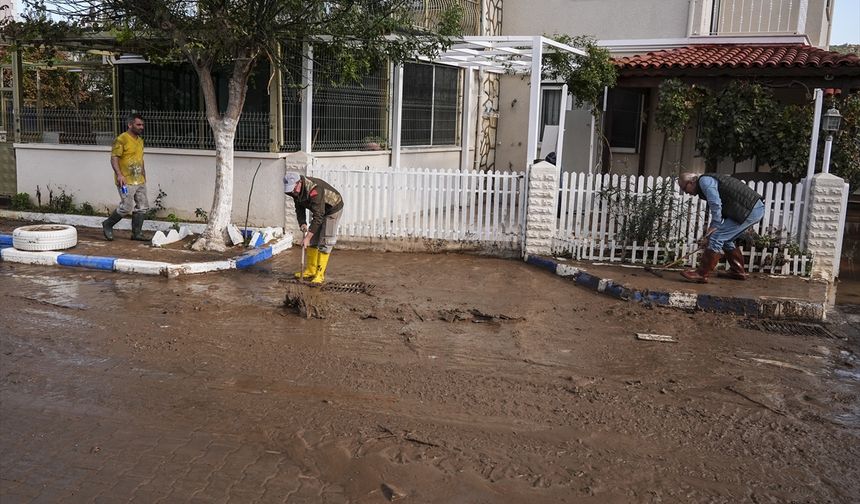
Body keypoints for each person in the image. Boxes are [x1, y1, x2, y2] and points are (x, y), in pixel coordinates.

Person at [677, 172, 765, 283]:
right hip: (749, 209)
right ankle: (737, 271)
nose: (685, 192)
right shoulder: (705, 182)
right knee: (726, 239)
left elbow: (716, 203)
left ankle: (701, 274)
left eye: (684, 188)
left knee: (717, 237)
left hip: (750, 210)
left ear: (691, 182)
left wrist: (714, 226)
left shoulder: (704, 181)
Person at [284, 172, 344, 285]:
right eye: (290, 190)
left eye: (293, 188)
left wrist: (307, 237)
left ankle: (319, 274)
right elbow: (299, 209)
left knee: (326, 241)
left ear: (299, 182)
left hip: (332, 208)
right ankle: (311, 270)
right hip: (319, 209)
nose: (292, 192)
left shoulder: (314, 190)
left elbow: (318, 216)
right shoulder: (295, 192)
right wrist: (302, 223)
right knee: (313, 240)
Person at [102, 113, 149, 241]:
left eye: (142, 125)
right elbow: (114, 158)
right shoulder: (121, 139)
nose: (141, 127)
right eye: (138, 124)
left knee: (142, 206)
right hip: (125, 181)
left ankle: (136, 234)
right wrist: (119, 175)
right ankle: (108, 224)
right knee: (126, 207)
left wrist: (144, 174)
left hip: (139, 180)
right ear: (130, 124)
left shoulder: (140, 141)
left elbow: (140, 159)